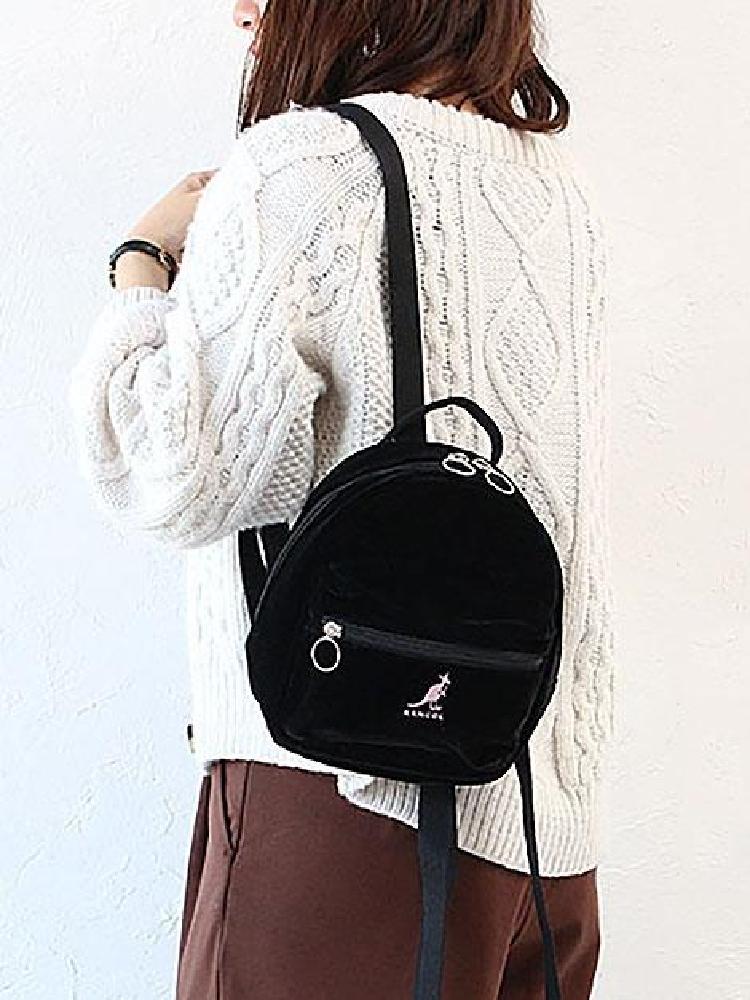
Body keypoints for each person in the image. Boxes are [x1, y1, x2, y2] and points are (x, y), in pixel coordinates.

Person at [68, 1, 615, 997]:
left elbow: (170, 478)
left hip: (346, 806)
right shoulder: (557, 188)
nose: (241, 8)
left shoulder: (302, 169)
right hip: (542, 833)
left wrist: (141, 266)